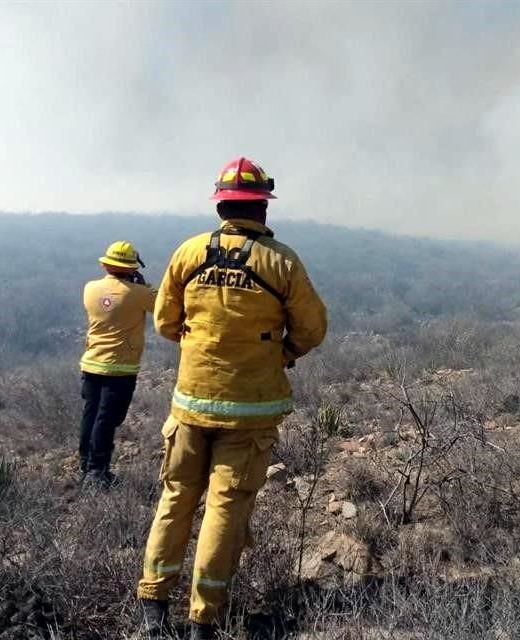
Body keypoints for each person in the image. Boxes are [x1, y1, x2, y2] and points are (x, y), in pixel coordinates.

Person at [136, 157, 328, 639]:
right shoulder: (280, 260)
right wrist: (280, 354)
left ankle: (153, 608)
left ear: (221, 205)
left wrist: (199, 343)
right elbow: (312, 329)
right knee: (225, 507)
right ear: (262, 208)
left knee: (176, 496)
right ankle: (204, 619)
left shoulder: (189, 252)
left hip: (189, 405)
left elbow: (164, 321)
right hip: (251, 411)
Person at [79, 241, 156, 489]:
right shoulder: (138, 293)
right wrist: (142, 285)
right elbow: (160, 305)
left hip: (92, 362)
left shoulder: (90, 288)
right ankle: (97, 473)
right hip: (121, 368)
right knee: (107, 418)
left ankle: (86, 466)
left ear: (105, 265)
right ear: (132, 267)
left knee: (91, 415)